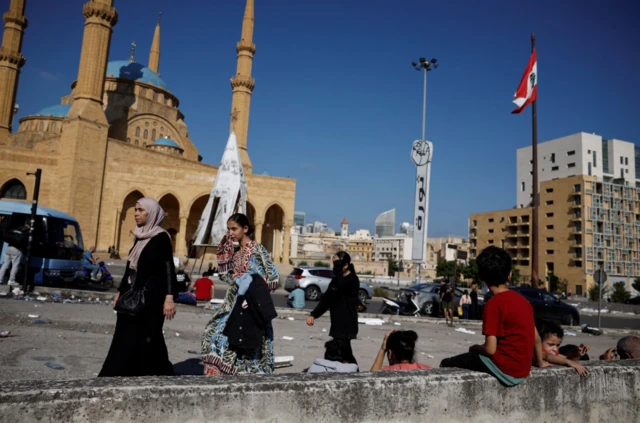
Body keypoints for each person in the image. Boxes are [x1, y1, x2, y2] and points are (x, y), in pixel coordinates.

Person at [440, 246, 541, 387]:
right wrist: (540, 362)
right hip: (522, 371)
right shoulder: (524, 302)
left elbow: (490, 349)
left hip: (504, 370)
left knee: (447, 363)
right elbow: (536, 338)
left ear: (481, 277)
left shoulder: (493, 304)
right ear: (510, 275)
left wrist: (474, 348)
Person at [99, 197, 177, 377]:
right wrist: (120, 291)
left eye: (141, 210)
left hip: (152, 297)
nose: (136, 214)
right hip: (131, 293)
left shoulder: (161, 238)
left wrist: (169, 297)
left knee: (149, 334)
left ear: (152, 214)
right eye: (135, 210)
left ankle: (147, 371)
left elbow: (168, 269)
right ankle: (120, 371)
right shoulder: (140, 235)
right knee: (126, 334)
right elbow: (130, 267)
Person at [201, 213, 279, 376]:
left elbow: (273, 279)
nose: (230, 233)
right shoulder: (235, 252)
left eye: (234, 229)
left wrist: (250, 285)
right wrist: (223, 255)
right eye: (228, 229)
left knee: (248, 346)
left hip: (251, 305)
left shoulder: (258, 249)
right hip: (233, 304)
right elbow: (226, 277)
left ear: (245, 229)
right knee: (214, 333)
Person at [306, 251, 359, 345]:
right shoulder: (336, 280)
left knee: (343, 354)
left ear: (346, 265)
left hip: (347, 325)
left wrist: (338, 269)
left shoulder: (352, 279)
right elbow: (327, 300)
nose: (335, 267)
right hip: (336, 323)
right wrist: (313, 315)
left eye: (337, 265)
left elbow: (341, 286)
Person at [0, 221, 29, 286]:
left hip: (8, 247)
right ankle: (11, 280)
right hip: (17, 249)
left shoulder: (17, 228)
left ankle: (0, 279)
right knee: (15, 265)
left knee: (5, 264)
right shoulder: (27, 231)